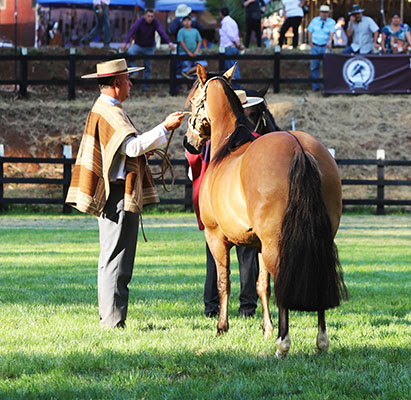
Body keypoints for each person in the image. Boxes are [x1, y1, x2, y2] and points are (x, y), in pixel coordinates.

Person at [66, 59, 185, 328]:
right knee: (116, 260)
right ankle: (112, 321)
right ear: (117, 83)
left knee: (113, 258)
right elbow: (131, 149)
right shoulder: (110, 112)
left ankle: (110, 318)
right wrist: (165, 127)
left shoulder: (108, 109)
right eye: (128, 80)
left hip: (116, 195)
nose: (131, 84)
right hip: (117, 195)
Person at [185, 90, 263, 318]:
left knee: (214, 258)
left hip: (214, 205)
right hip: (244, 207)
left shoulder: (209, 143)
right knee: (248, 257)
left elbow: (193, 170)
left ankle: (212, 306)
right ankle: (247, 308)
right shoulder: (256, 141)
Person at [121, 9, 175, 86]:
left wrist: (169, 42)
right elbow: (132, 30)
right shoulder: (140, 21)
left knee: (148, 66)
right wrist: (125, 42)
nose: (150, 18)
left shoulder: (155, 22)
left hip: (149, 47)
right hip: (138, 45)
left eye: (152, 16)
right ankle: (135, 72)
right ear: (145, 16)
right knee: (130, 54)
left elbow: (161, 32)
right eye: (148, 16)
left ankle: (145, 86)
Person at [307, 5, 336, 91]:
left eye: (326, 12)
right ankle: (315, 86)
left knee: (326, 67)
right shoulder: (314, 21)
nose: (324, 14)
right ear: (320, 13)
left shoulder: (331, 22)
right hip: (315, 46)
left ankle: (325, 86)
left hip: (325, 46)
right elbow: (310, 31)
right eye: (322, 12)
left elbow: (332, 32)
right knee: (314, 67)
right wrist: (310, 42)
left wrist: (330, 41)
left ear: (328, 13)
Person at [219, 7, 242, 86]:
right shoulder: (232, 21)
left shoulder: (225, 22)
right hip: (232, 47)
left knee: (232, 70)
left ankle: (237, 88)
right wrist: (238, 44)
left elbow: (231, 35)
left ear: (221, 13)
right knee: (229, 69)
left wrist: (237, 44)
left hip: (228, 48)